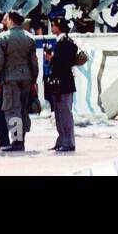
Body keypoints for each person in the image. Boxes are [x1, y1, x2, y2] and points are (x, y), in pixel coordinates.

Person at [0, 11, 38, 152]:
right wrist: (34, 80)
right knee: (22, 110)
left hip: (11, 79)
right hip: (27, 78)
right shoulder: (29, 38)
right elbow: (34, 63)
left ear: (10, 20)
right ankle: (21, 139)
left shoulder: (4, 37)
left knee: (12, 109)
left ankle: (17, 141)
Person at [44, 16, 80, 153]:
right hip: (60, 82)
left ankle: (69, 142)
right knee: (59, 113)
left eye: (53, 25)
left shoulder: (66, 42)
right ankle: (62, 140)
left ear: (59, 27)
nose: (52, 28)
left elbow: (64, 62)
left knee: (65, 113)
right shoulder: (61, 41)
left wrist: (52, 58)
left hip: (64, 82)